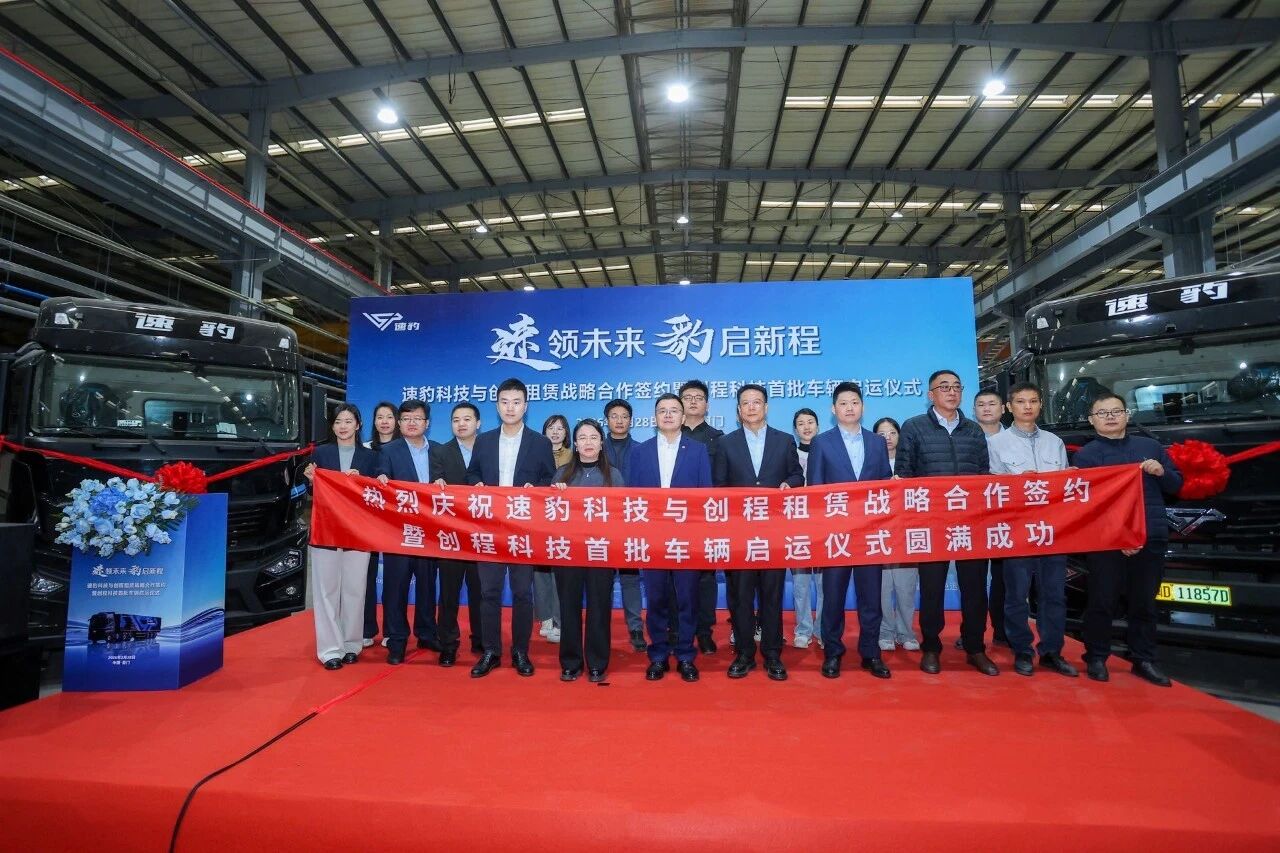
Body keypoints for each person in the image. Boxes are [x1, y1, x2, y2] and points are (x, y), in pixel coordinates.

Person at [895, 370, 999, 676]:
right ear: (931, 394)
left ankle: (975, 647)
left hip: (970, 523)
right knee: (931, 589)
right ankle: (931, 646)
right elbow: (905, 475)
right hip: (931, 523)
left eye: (956, 387)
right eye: (944, 387)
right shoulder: (914, 427)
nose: (951, 392)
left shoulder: (974, 431)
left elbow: (983, 475)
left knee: (975, 589)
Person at [1075, 391, 1183, 687]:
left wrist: (1161, 472)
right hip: (1106, 541)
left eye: (1116, 411)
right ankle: (1096, 656)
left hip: (1150, 535)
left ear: (1127, 415)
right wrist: (1120, 536)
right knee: (1102, 601)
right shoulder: (1086, 456)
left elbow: (1176, 485)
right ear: (1092, 420)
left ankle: (1144, 659)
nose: (1110, 417)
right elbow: (1088, 505)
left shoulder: (1150, 447)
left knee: (1144, 603)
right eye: (1102, 413)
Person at [466, 378, 558, 678]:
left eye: (516, 402)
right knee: (489, 592)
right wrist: (477, 485)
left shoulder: (540, 443)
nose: (510, 408)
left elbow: (549, 479)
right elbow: (472, 474)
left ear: (525, 406)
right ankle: (491, 651)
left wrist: (536, 489)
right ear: (497, 406)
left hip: (523, 530)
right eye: (504, 402)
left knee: (522, 593)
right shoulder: (484, 441)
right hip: (490, 529)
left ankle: (520, 651)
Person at [714, 384, 804, 680]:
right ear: (738, 410)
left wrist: (790, 484)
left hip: (773, 532)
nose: (751, 407)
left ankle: (773, 653)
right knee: (740, 596)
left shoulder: (784, 440)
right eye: (745, 403)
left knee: (772, 594)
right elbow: (718, 485)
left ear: (766, 407)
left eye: (757, 402)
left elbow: (797, 474)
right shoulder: (726, 443)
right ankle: (744, 654)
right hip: (739, 534)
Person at [987, 384, 1078, 678]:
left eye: (1033, 401)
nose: (1027, 406)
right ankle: (1022, 650)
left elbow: (1065, 488)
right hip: (1017, 532)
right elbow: (991, 488)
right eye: (1020, 401)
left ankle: (1051, 651)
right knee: (1017, 595)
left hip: (1054, 530)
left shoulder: (1055, 442)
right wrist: (1017, 484)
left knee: (1054, 594)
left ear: (1040, 405)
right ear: (1009, 407)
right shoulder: (996, 443)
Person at [808, 382, 893, 680]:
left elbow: (885, 486)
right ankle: (833, 652)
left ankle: (871, 653)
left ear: (862, 407)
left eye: (854, 402)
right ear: (834, 409)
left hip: (870, 534)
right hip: (836, 536)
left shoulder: (876, 442)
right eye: (843, 403)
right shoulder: (822, 443)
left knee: (871, 598)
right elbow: (815, 490)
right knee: (833, 597)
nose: (849, 408)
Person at [629, 393, 712, 682]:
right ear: (654, 418)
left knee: (687, 598)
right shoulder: (640, 452)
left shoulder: (698, 450)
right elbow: (632, 497)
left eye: (673, 410)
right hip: (651, 538)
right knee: (656, 598)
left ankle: (686, 655)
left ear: (683, 416)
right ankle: (658, 655)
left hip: (687, 538)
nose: (667, 415)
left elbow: (705, 495)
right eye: (662, 410)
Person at [549, 419, 624, 682]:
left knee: (599, 608)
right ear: (575, 444)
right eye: (582, 438)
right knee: (568, 607)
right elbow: (549, 516)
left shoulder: (613, 476)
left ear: (601, 443)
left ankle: (597, 662)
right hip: (568, 552)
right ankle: (570, 662)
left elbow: (622, 516)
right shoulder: (562, 475)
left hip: (601, 552)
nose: (588, 442)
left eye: (593, 437)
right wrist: (556, 495)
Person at [304, 404, 378, 669]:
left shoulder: (371, 457)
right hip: (326, 529)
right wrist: (311, 480)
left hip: (358, 531)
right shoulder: (321, 453)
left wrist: (363, 482)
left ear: (358, 425)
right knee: (326, 591)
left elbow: (377, 497)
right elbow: (311, 493)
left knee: (355, 590)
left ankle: (351, 645)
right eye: (338, 422)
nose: (343, 426)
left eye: (348, 421)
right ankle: (330, 650)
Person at [374, 400, 440, 665]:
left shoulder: (439, 451)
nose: (412, 423)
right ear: (399, 424)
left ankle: (426, 633)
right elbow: (381, 476)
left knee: (427, 585)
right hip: (399, 532)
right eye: (406, 418)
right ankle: (397, 640)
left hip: (430, 532)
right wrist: (380, 479)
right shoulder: (388, 451)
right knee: (396, 587)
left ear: (427, 423)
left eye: (417, 418)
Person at [428, 401, 485, 666]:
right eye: (456, 420)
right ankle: (448, 644)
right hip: (451, 534)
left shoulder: (489, 449)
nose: (461, 424)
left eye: (467, 419)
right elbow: (433, 482)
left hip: (481, 533)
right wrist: (435, 484)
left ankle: (481, 639)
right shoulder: (439, 452)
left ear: (478, 423)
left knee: (480, 591)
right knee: (449, 592)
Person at [680, 379, 725, 654]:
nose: (693, 401)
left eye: (698, 397)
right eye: (688, 397)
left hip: (706, 518)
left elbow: (722, 480)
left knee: (706, 578)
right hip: (674, 518)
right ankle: (678, 628)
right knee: (675, 576)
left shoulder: (719, 438)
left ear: (707, 405)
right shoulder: (671, 436)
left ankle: (704, 631)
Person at [602, 398, 645, 652]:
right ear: (606, 420)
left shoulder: (641, 450)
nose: (619, 421)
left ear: (631, 421)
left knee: (630, 578)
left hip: (631, 523)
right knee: (601, 579)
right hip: (602, 525)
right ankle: (601, 627)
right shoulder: (595, 448)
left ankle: (636, 627)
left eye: (624, 416)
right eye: (614, 416)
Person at [873, 417, 919, 653]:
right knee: (881, 589)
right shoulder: (870, 464)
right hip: (879, 534)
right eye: (881, 435)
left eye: (892, 433)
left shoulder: (911, 463)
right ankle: (885, 632)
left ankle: (906, 632)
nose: (888, 438)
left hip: (906, 533)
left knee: (905, 588)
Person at [972, 388, 1009, 649]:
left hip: (1007, 519)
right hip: (974, 518)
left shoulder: (1015, 439)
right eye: (981, 404)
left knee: (1003, 578)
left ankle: (1002, 630)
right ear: (974, 410)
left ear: (1003, 408)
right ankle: (972, 634)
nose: (986, 408)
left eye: (992, 404)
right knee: (973, 580)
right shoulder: (966, 437)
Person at [362, 401, 399, 648]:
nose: (384, 421)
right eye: (379, 417)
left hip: (396, 524)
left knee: (394, 580)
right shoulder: (364, 450)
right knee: (366, 576)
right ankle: (366, 629)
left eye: (389, 417)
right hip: (368, 522)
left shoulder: (404, 449)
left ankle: (391, 630)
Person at [535, 414, 570, 644]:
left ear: (566, 433)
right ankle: (545, 617)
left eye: (560, 428)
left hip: (565, 523)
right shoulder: (534, 452)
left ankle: (559, 620)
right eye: (551, 428)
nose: (555, 432)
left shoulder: (574, 457)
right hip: (540, 519)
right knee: (540, 572)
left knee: (561, 573)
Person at [791, 408, 824, 649]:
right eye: (801, 423)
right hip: (797, 527)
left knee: (824, 584)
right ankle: (803, 629)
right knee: (801, 583)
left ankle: (822, 629)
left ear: (818, 426)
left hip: (823, 526)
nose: (806, 427)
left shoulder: (828, 451)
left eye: (810, 422)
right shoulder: (789, 455)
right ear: (795, 430)